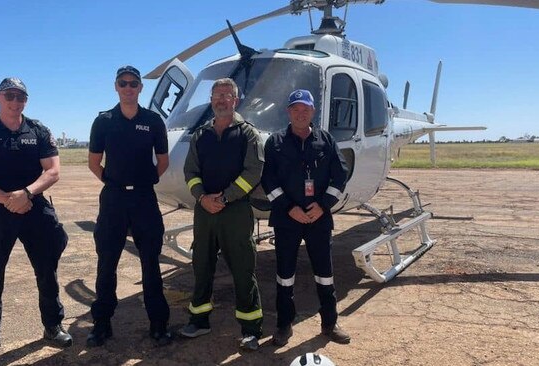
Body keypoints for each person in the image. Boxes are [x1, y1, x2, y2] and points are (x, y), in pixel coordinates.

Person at [0, 77, 72, 363]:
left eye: (20, 97)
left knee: (47, 270)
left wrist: (26, 194)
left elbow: (52, 171)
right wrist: (7, 200)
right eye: (9, 96)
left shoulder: (38, 131)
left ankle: (53, 326)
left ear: (26, 101)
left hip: (35, 208)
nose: (15, 101)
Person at [86, 65, 173, 347]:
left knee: (151, 263)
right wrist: (114, 182)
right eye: (123, 83)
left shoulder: (153, 120)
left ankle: (158, 324)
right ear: (116, 87)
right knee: (107, 263)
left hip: (144, 200)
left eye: (133, 84)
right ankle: (101, 324)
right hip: (113, 200)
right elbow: (94, 162)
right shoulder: (104, 120)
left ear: (140, 88)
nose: (128, 88)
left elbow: (163, 160)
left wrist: (143, 181)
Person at [261, 89, 351, 347]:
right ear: (288, 112)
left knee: (325, 273)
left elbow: (340, 176)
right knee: (284, 274)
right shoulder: (275, 142)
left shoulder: (326, 140)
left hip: (318, 218)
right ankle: (283, 325)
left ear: (313, 112)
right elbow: (268, 181)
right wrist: (289, 208)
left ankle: (330, 322)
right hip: (287, 219)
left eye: (305, 109)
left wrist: (323, 206)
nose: (300, 114)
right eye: (295, 109)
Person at [181, 78, 265, 350]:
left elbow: (253, 173)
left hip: (236, 211)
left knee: (243, 268)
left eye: (226, 95)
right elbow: (190, 172)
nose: (221, 99)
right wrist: (202, 198)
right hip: (205, 211)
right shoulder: (200, 135)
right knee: (201, 266)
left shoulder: (247, 134)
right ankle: (199, 321)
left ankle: (251, 329)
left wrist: (226, 197)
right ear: (211, 99)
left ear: (235, 101)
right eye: (216, 95)